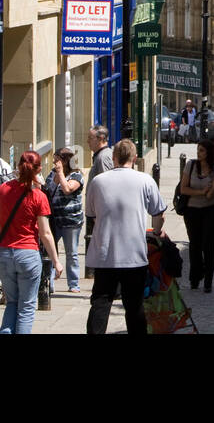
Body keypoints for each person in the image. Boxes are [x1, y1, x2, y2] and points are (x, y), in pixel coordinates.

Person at [84, 139, 167, 334]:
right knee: (134, 305)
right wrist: (156, 232)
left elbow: (92, 216)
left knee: (101, 303)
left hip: (105, 255)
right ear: (135, 158)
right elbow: (159, 213)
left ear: (113, 158)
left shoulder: (98, 182)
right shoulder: (145, 180)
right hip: (133, 255)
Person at [0, 150, 61, 334]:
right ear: (39, 169)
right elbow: (45, 232)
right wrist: (56, 261)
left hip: (5, 254)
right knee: (26, 308)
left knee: (12, 303)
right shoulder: (38, 196)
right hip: (28, 255)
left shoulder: (3, 189)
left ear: (18, 167)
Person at [179, 139, 214, 293]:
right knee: (194, 244)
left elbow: (211, 195)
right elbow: (184, 189)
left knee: (208, 244)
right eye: (198, 150)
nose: (199, 153)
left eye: (202, 151)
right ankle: (195, 277)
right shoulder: (190, 166)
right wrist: (200, 192)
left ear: (209, 153)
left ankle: (208, 280)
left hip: (210, 209)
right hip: (192, 210)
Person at [44, 147, 84, 292]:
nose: (54, 162)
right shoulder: (52, 173)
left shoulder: (76, 176)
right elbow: (46, 189)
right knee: (50, 251)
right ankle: (49, 283)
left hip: (70, 221)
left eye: (57, 159)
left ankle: (73, 284)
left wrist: (60, 173)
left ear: (65, 160)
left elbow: (67, 189)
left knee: (71, 253)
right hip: (53, 219)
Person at [84, 124, 113, 270]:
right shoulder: (100, 156)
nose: (88, 141)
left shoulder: (103, 157)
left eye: (90, 138)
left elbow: (106, 186)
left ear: (101, 139)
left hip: (101, 214)